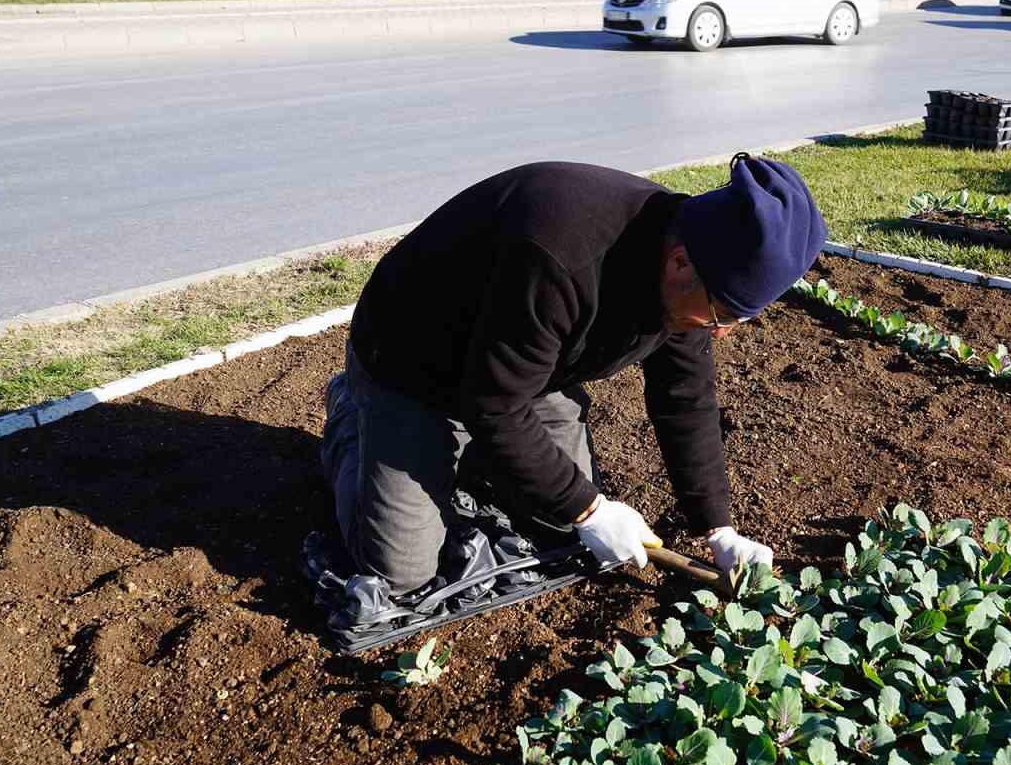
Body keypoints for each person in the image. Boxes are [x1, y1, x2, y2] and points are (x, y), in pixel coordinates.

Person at [320, 153, 827, 597]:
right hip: (413, 360)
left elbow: (684, 398)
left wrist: (718, 528)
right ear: (678, 264)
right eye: (721, 316)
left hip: (519, 365)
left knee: (553, 524)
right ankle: (352, 413)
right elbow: (493, 407)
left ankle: (473, 454)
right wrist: (589, 510)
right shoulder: (561, 255)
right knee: (402, 573)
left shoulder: (698, 258)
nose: (720, 333)